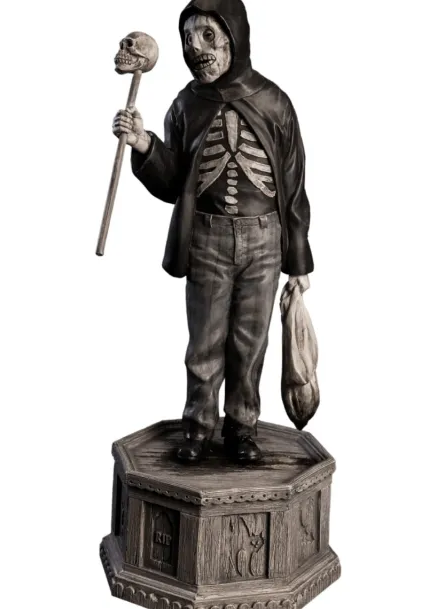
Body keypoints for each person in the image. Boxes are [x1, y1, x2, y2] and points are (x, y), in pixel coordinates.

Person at [113, 0, 313, 463]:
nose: (196, 48)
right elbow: (173, 183)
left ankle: (242, 426)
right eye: (188, 38)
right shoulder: (186, 105)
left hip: (265, 240)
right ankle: (198, 427)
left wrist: (298, 261)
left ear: (234, 35)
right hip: (206, 238)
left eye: (207, 35)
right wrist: (143, 143)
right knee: (204, 342)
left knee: (251, 341)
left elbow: (294, 183)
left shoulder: (274, 102)